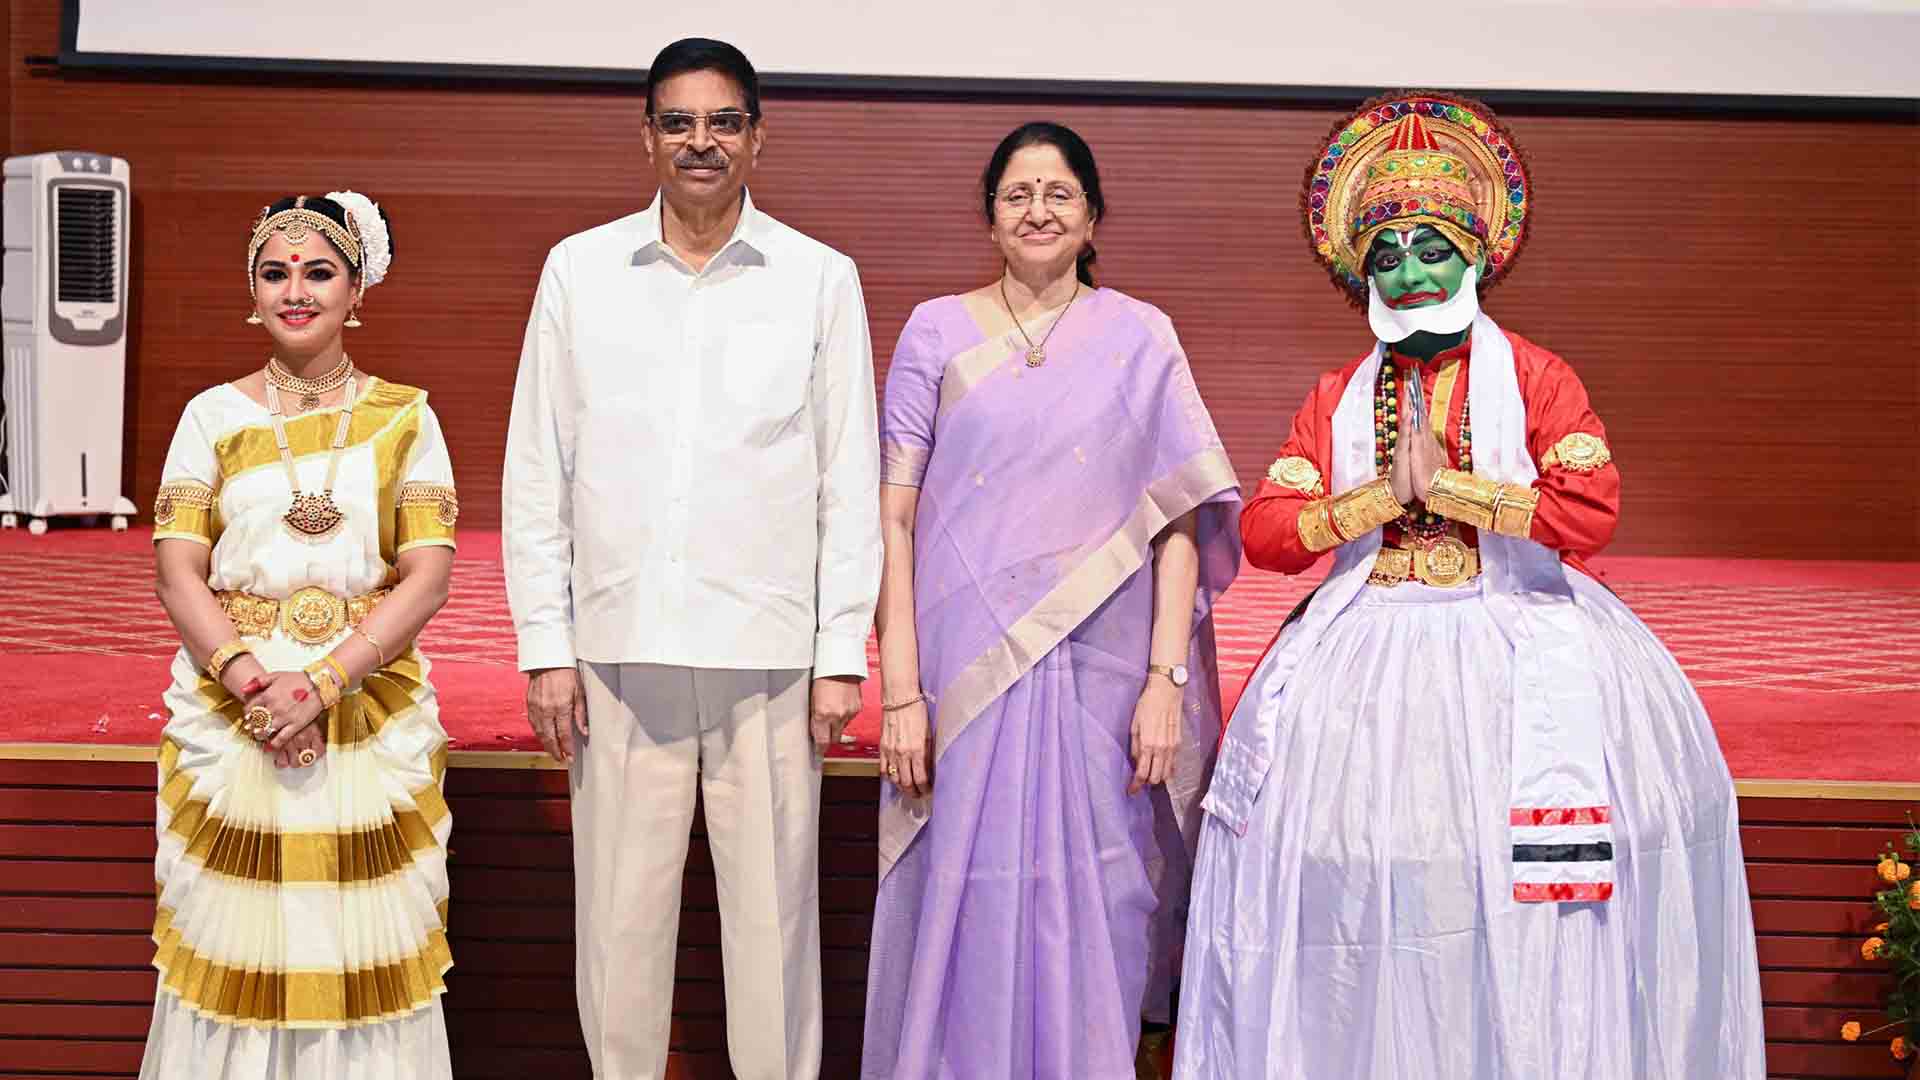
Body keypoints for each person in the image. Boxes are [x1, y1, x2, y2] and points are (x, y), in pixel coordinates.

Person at [1173, 92, 1765, 1079]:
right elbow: (1269, 534)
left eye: (1431, 248)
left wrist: (1452, 489)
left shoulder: (1535, 378)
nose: (1409, 272)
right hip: (1363, 659)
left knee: (1511, 893)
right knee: (1363, 880)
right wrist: (1373, 502)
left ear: (1478, 255)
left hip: (1519, 641)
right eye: (1388, 254)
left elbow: (1589, 512)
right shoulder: (1337, 394)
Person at [501, 37, 881, 1080]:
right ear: (648, 136)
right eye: (679, 122)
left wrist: (841, 647)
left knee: (774, 931)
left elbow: (847, 478)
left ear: (759, 136)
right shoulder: (580, 271)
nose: (700, 141)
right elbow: (540, 467)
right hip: (620, 650)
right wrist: (546, 641)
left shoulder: (818, 278)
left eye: (723, 122)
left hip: (768, 658)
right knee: (618, 936)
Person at [861, 121, 1243, 1080]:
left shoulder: (1139, 337)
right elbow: (893, 518)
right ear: (990, 218)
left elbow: (1178, 523)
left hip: (1103, 680)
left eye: (1058, 194)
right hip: (964, 679)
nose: (1038, 210)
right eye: (1017, 194)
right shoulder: (935, 331)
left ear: (1092, 217)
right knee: (969, 888)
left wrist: (1164, 682)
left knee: (1103, 892)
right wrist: (901, 691)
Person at [141, 191, 459, 1079]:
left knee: (360, 932)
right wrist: (255, 685)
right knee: (233, 929)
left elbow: (426, 576)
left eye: (319, 272)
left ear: (357, 291)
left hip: (363, 695)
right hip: (233, 698)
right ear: (251, 290)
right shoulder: (212, 416)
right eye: (275, 272)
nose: (296, 290)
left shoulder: (406, 417)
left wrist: (319, 686)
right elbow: (178, 571)